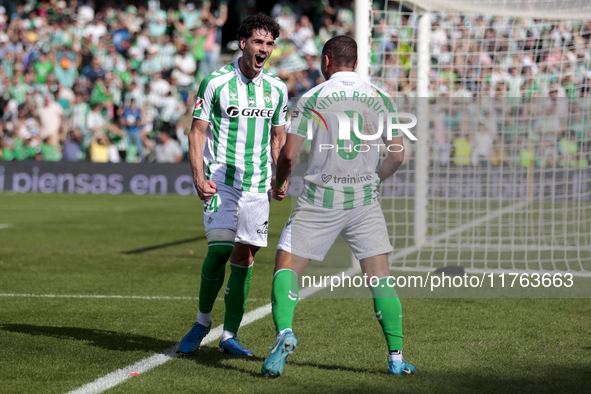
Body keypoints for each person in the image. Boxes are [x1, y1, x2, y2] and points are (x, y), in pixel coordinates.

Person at [261, 36, 415, 377]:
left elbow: (289, 154)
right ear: (356, 63)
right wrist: (375, 179)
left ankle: (285, 331)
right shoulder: (381, 98)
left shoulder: (313, 97)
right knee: (379, 277)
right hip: (364, 200)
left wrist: (279, 181)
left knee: (286, 264)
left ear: (326, 61)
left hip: (321, 197)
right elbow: (399, 155)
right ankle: (396, 357)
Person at [179, 13, 288, 356]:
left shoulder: (277, 89)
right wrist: (198, 176)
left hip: (257, 185)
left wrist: (279, 176)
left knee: (244, 258)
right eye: (258, 42)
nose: (265, 49)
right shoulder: (215, 82)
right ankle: (202, 321)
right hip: (221, 181)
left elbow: (278, 138)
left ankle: (229, 336)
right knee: (221, 250)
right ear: (243, 43)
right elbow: (196, 132)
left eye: (270, 43)